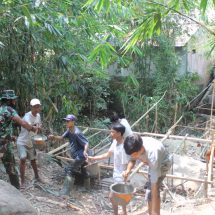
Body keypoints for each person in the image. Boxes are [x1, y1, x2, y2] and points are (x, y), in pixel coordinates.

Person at [123, 134, 171, 215]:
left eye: (135, 155)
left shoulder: (153, 154)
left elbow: (154, 183)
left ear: (141, 149)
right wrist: (127, 170)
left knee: (151, 192)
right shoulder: (134, 144)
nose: (133, 156)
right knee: (150, 193)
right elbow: (132, 159)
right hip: (150, 162)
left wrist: (154, 212)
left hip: (163, 164)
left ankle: (155, 212)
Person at [88, 123, 130, 215]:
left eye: (112, 132)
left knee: (112, 197)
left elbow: (126, 165)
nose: (111, 134)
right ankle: (123, 212)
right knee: (119, 198)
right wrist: (93, 158)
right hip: (116, 175)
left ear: (119, 133)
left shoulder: (123, 147)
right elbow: (107, 155)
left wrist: (125, 177)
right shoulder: (115, 142)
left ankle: (119, 213)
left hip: (121, 177)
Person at [0, 90, 38, 189]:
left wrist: (11, 137)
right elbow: (23, 123)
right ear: (10, 100)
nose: (15, 101)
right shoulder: (10, 110)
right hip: (3, 145)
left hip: (4, 141)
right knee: (11, 166)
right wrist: (32, 128)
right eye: (14, 99)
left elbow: (3, 127)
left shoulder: (1, 109)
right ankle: (16, 189)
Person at [48, 114, 89, 195]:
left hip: (80, 155)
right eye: (66, 121)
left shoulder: (77, 132)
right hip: (77, 154)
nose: (66, 122)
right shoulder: (69, 130)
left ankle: (66, 191)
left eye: (68, 121)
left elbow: (86, 142)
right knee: (83, 168)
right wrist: (53, 137)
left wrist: (85, 151)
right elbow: (61, 137)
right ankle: (87, 187)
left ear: (73, 122)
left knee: (69, 170)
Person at [16, 98, 43, 189]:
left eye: (38, 107)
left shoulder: (38, 116)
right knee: (23, 158)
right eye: (35, 107)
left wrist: (39, 128)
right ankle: (22, 182)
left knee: (33, 160)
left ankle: (37, 177)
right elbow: (28, 126)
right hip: (22, 142)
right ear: (31, 107)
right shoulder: (27, 116)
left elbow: (38, 126)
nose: (37, 109)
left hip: (30, 142)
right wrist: (35, 128)